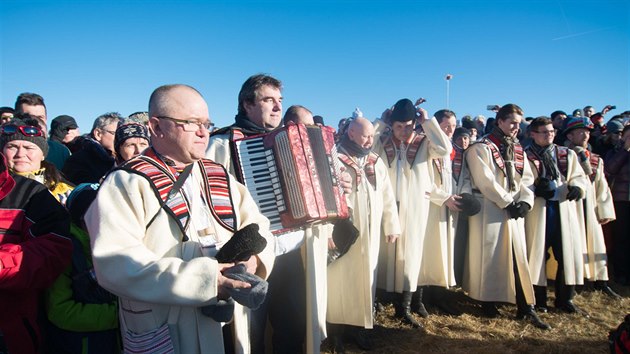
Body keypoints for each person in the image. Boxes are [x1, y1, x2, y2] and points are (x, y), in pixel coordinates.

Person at [85, 84, 276, 354]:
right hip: (165, 322)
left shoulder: (218, 174)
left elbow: (260, 227)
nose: (203, 132)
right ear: (156, 126)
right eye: (191, 123)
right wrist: (206, 281)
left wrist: (253, 261)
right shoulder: (125, 182)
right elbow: (114, 263)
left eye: (206, 123)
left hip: (225, 323)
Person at [207, 75, 339, 354]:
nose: (278, 107)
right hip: (250, 256)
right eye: (268, 100)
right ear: (247, 104)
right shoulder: (222, 143)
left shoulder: (296, 141)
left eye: (280, 100)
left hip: (291, 251)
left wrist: (338, 184)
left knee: (292, 324)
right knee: (249, 333)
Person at [460, 104, 549, 329]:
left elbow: (527, 178)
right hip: (490, 208)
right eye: (511, 122)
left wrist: (526, 201)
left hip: (513, 209)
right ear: (499, 121)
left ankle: (525, 307)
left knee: (519, 258)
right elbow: (484, 179)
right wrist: (508, 202)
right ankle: (489, 301)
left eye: (519, 124)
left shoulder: (518, 149)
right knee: (490, 256)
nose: (516, 128)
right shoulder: (481, 148)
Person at [373, 98, 452, 328]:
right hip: (387, 207)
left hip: (415, 207)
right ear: (391, 124)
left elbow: (445, 149)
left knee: (410, 255)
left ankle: (403, 308)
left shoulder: (424, 143)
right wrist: (380, 122)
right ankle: (377, 302)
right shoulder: (383, 141)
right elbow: (366, 147)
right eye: (398, 126)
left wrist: (428, 123)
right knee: (383, 254)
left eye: (408, 126)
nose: (403, 130)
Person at [327, 117, 401, 352]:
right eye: (365, 136)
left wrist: (392, 225)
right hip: (345, 232)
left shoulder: (375, 161)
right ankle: (336, 331)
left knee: (365, 280)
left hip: (370, 235)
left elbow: (387, 196)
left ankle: (358, 328)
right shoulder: (333, 158)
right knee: (340, 282)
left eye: (372, 136)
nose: (370, 140)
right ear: (350, 134)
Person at [0, 151, 73, 354]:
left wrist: (3, 264)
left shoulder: (30, 193)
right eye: (14, 145)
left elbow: (56, 248)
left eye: (28, 147)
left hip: (12, 332)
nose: (21, 153)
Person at [523, 117, 589, 315]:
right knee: (538, 256)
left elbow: (579, 176)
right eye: (544, 132)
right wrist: (534, 188)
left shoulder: (566, 153)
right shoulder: (525, 155)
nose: (549, 134)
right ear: (532, 134)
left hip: (562, 208)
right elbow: (520, 181)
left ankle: (565, 298)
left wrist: (577, 187)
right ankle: (538, 299)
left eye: (551, 131)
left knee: (566, 254)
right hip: (539, 211)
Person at [45, 183, 120, 354]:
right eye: (95, 216)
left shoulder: (118, 245)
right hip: (83, 345)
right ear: (81, 220)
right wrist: (118, 315)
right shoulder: (67, 252)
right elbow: (60, 311)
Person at [563, 117, 620, 298]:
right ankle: (574, 281)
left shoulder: (595, 159)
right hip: (572, 206)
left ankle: (600, 280)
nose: (585, 135)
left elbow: (601, 187)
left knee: (596, 242)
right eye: (580, 131)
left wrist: (604, 210)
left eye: (588, 132)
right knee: (574, 244)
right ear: (570, 135)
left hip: (590, 207)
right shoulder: (562, 155)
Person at [420, 109, 462, 316]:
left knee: (444, 253)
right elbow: (424, 181)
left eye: (453, 126)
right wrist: (443, 198)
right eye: (446, 126)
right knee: (431, 253)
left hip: (449, 206)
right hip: (432, 206)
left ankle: (440, 294)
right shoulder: (428, 146)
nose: (451, 130)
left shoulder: (452, 150)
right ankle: (426, 296)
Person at [0, 116, 74, 204]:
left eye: (28, 148)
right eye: (12, 147)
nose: (20, 154)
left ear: (43, 155)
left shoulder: (66, 193)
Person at [14, 92, 72, 171]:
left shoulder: (61, 151)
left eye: (40, 117)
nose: (36, 122)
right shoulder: (6, 152)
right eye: (28, 117)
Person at [62, 112, 122, 184]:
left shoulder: (119, 158)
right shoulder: (78, 161)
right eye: (116, 133)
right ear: (98, 134)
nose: (120, 138)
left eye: (122, 134)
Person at [604, 125, 630, 286]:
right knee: (622, 238)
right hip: (621, 200)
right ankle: (621, 273)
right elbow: (609, 169)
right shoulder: (614, 152)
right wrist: (625, 151)